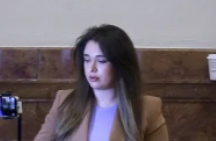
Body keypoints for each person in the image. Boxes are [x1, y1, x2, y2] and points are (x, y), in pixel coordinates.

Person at [35, 24, 168, 141]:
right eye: (87, 60)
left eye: (101, 61)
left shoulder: (148, 108)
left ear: (121, 65)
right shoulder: (64, 101)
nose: (92, 68)